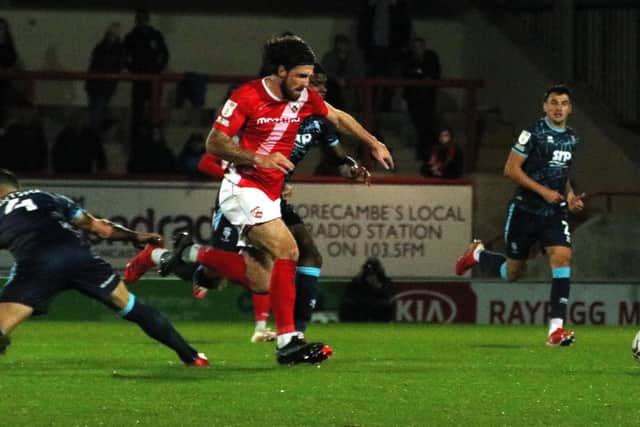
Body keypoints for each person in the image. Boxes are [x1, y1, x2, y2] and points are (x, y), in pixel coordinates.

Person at [126, 35, 393, 365]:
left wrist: (373, 142)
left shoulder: (305, 98)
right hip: (242, 187)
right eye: (301, 76)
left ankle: (186, 253)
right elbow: (214, 144)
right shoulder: (247, 96)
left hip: (269, 192)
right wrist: (258, 159)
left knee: (259, 280)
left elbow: (338, 117)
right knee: (290, 250)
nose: (308, 85)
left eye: (310, 77)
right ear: (281, 71)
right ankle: (289, 341)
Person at [194, 64, 372, 342]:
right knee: (217, 276)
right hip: (245, 191)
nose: (321, 89)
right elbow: (211, 155)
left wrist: (352, 168)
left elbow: (339, 158)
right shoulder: (269, 110)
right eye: (315, 83)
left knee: (307, 254)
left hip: (273, 196)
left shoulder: (317, 120)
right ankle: (180, 255)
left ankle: (295, 333)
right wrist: (254, 162)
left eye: (322, 84)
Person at [0, 169, 208, 366]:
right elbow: (99, 227)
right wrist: (135, 236)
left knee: (3, 324)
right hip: (78, 255)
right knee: (131, 306)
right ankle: (191, 357)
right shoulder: (47, 196)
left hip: (37, 263)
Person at [455, 84, 585, 347]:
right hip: (525, 210)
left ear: (570, 108)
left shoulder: (571, 137)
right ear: (545, 106)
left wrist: (569, 195)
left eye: (563, 103)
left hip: (553, 212)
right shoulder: (533, 133)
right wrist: (545, 192)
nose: (558, 108)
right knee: (513, 272)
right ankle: (478, 254)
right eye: (554, 103)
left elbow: (562, 173)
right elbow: (510, 169)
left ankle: (555, 331)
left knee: (562, 257)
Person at [123, 9, 169, 140]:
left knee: (154, 108)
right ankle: (137, 136)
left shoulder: (155, 35)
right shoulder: (131, 37)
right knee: (138, 108)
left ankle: (154, 135)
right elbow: (125, 57)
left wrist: (158, 69)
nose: (142, 21)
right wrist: (134, 70)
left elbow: (164, 54)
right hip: (140, 78)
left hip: (153, 77)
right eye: (140, 19)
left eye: (144, 19)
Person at [402, 36, 441, 157]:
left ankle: (426, 153)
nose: (418, 50)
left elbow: (434, 74)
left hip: (428, 99)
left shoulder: (431, 57)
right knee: (419, 125)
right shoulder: (409, 58)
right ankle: (422, 152)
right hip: (413, 99)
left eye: (420, 47)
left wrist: (422, 76)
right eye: (415, 48)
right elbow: (407, 74)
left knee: (428, 125)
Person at [85, 22, 127, 132]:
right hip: (99, 84)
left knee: (96, 112)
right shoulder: (107, 47)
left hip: (101, 85)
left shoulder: (105, 47)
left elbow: (97, 64)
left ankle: (93, 135)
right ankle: (94, 135)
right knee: (95, 112)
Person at [339, 257, 394, 322]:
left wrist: (377, 286)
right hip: (361, 304)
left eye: (373, 272)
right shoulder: (357, 281)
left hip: (377, 304)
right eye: (368, 272)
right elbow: (349, 294)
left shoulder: (385, 281)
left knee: (386, 306)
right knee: (347, 305)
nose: (371, 274)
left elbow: (388, 295)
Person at [320, 34, 365, 111]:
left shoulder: (354, 58)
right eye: (340, 44)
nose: (342, 46)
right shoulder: (330, 57)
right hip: (332, 86)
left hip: (349, 86)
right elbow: (325, 71)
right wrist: (337, 79)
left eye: (344, 44)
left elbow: (358, 72)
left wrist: (347, 79)